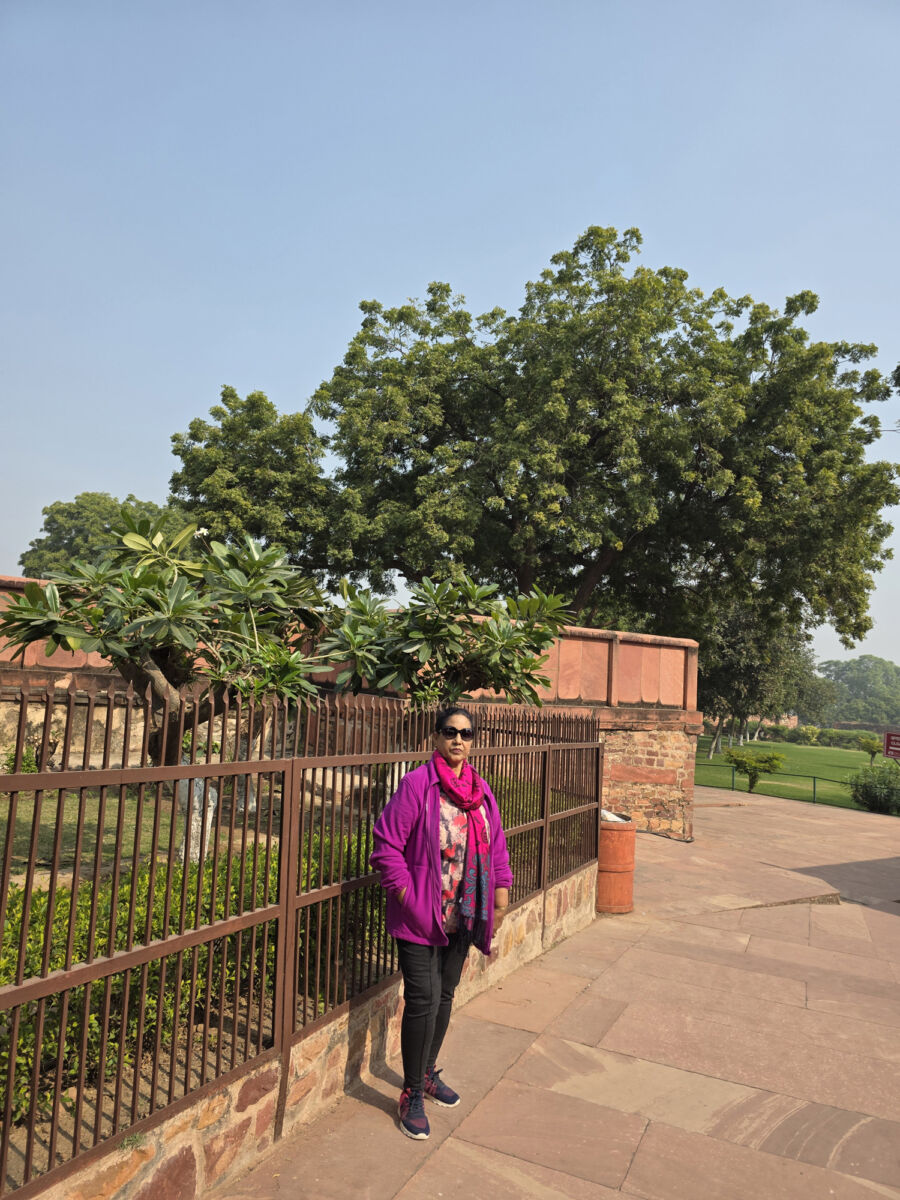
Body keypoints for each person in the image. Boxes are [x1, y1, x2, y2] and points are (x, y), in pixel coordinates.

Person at [370, 705, 513, 1140]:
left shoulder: (480, 791)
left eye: (466, 734)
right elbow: (385, 846)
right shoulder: (418, 785)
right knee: (423, 999)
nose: (458, 740)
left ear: (474, 741)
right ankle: (411, 1092)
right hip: (421, 917)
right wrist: (407, 897)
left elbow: (497, 847)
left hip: (463, 916)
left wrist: (501, 895)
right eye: (450, 732)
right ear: (435, 737)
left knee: (445, 995)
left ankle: (427, 1072)